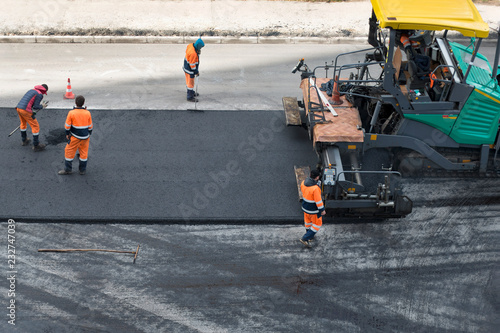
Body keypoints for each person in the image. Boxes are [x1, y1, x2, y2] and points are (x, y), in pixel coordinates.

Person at [58, 95, 93, 175]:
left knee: (68, 151)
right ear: (83, 103)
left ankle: (68, 169)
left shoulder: (71, 113)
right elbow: (90, 126)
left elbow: (67, 126)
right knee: (83, 153)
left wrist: (67, 134)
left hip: (75, 136)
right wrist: (89, 134)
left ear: (75, 103)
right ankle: (82, 170)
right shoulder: (87, 113)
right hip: (85, 137)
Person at [16, 84, 49, 151]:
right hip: (25, 110)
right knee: (35, 126)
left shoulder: (32, 90)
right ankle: (36, 145)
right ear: (44, 90)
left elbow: (29, 103)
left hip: (19, 108)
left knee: (23, 124)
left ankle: (24, 140)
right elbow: (35, 106)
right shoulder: (39, 94)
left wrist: (31, 111)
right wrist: (42, 106)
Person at [299, 169, 326, 248]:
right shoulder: (315, 189)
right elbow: (318, 201)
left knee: (308, 223)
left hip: (305, 208)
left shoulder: (303, 182)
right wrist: (322, 210)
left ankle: (310, 236)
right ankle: (305, 238)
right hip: (313, 210)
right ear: (317, 177)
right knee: (317, 224)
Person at [183, 38, 205, 102]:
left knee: (189, 81)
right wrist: (196, 72)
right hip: (190, 70)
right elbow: (192, 65)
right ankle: (190, 96)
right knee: (190, 83)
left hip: (186, 67)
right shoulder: (193, 54)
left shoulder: (191, 45)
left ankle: (191, 92)